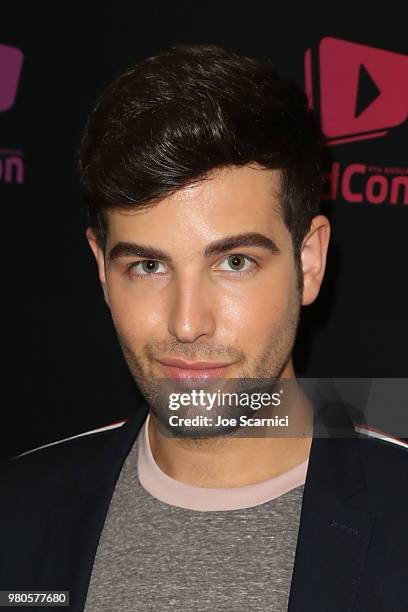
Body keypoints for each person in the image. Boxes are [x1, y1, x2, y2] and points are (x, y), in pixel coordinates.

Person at [1, 45, 407, 612]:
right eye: (148, 266)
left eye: (234, 262)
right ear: (101, 269)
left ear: (308, 264)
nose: (187, 322)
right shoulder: (19, 511)